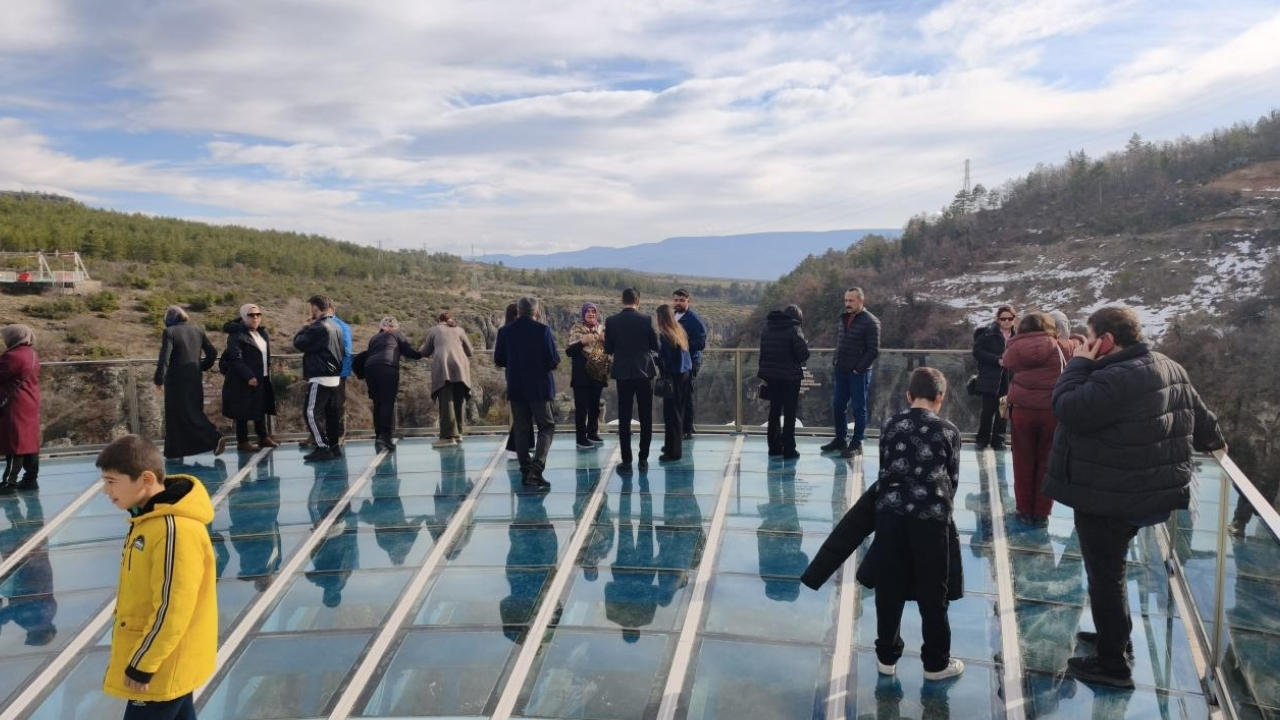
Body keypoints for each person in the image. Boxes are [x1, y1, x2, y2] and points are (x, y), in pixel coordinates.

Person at [1044, 305, 1225, 689]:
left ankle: (1113, 664)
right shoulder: (1168, 366)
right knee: (1113, 572)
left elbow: (1066, 407)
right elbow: (1203, 421)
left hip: (1110, 497)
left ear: (1107, 340)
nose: (1087, 346)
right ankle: (1115, 638)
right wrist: (1216, 443)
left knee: (1105, 577)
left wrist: (1076, 365)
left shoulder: (1115, 377)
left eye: (1090, 339)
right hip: (1144, 494)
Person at [98, 434, 217, 720]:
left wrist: (143, 662)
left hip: (160, 666)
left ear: (146, 479)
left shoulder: (172, 530)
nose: (106, 490)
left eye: (112, 481)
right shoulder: (146, 520)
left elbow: (172, 606)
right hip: (165, 662)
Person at [868, 367, 963, 680]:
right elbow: (952, 479)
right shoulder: (949, 431)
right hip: (930, 518)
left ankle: (886, 657)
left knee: (889, 586)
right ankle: (936, 663)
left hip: (890, 514)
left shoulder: (890, 425)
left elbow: (885, 466)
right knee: (933, 592)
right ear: (940, 397)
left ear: (908, 396)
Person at [1000, 311, 1076, 526]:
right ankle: (1042, 513)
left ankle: (1024, 510)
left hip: (1023, 410)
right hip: (1050, 410)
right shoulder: (1059, 346)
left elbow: (1006, 362)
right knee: (1047, 461)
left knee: (1022, 461)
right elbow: (1076, 345)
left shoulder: (1014, 348)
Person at [493, 297, 559, 489]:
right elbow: (553, 360)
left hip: (517, 387)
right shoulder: (542, 331)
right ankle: (537, 469)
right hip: (539, 388)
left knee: (521, 430)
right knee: (546, 427)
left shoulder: (505, 332)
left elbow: (499, 359)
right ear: (536, 312)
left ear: (519, 311)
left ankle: (525, 470)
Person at [155, 306, 224, 460]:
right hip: (194, 378)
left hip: (176, 381)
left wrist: (159, 380)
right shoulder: (197, 330)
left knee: (176, 415)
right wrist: (201, 366)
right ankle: (175, 451)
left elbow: (164, 358)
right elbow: (212, 352)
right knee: (193, 411)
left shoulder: (170, 332)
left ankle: (214, 437)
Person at [605, 288, 660, 474]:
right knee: (646, 417)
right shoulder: (646, 320)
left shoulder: (611, 321)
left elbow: (608, 348)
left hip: (622, 373)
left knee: (624, 417)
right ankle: (643, 459)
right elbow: (655, 345)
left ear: (622, 300)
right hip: (644, 372)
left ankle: (626, 460)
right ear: (639, 301)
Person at [820, 287, 880, 458]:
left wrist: (857, 369)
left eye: (851, 301)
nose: (847, 304)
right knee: (838, 406)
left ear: (861, 301)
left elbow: (873, 350)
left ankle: (857, 443)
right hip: (841, 371)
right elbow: (841, 343)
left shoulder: (871, 322)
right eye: (846, 300)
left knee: (858, 408)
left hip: (858, 374)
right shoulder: (844, 319)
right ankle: (840, 439)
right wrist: (836, 362)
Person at [292, 296, 346, 462]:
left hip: (320, 375)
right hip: (334, 376)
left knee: (310, 412)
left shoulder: (318, 327)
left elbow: (299, 343)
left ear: (315, 309)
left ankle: (322, 447)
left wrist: (304, 327)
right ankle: (334, 446)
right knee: (331, 413)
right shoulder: (337, 327)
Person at [220, 304, 278, 454]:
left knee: (260, 407)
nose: (256, 318)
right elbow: (236, 358)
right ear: (244, 316)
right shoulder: (236, 335)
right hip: (243, 379)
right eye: (251, 315)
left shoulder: (262, 333)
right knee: (242, 410)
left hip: (262, 376)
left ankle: (263, 436)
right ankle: (243, 441)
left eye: (258, 314)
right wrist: (249, 375)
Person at [757, 305, 810, 460]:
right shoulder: (794, 329)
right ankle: (789, 449)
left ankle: (773, 447)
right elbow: (803, 355)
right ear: (798, 318)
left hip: (771, 377)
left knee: (774, 411)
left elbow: (763, 352)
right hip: (790, 378)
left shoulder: (767, 328)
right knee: (789, 413)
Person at [364, 317, 423, 453]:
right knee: (387, 403)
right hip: (387, 368)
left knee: (377, 403)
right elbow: (408, 351)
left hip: (370, 369)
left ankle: (379, 435)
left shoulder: (374, 338)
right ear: (395, 326)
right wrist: (420, 354)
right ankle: (386, 436)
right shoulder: (396, 334)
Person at [421, 312, 474, 448]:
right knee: (458, 400)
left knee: (446, 401)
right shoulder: (459, 330)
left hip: (444, 367)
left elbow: (425, 351)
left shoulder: (434, 330)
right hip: (461, 367)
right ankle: (458, 433)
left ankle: (448, 437)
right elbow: (470, 351)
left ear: (439, 320)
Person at [0, 324, 42, 494]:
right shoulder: (31, 354)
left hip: (15, 404)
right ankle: (30, 479)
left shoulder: (12, 356)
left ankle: (9, 483)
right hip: (29, 401)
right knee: (28, 440)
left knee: (15, 442)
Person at [972, 305, 1015, 450]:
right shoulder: (988, 333)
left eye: (1010, 318)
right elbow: (977, 351)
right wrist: (997, 360)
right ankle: (982, 439)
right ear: (998, 319)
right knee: (987, 410)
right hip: (990, 376)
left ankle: (999, 440)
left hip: (1008, 377)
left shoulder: (1017, 336)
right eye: (1004, 318)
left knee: (1003, 410)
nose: (1007, 321)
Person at [566, 302, 607, 449]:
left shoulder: (601, 329)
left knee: (595, 407)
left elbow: (609, 350)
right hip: (581, 376)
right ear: (583, 313)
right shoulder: (576, 329)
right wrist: (582, 342)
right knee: (581, 408)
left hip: (597, 373)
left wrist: (605, 340)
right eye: (588, 311)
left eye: (593, 311)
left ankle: (592, 433)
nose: (591, 314)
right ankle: (581, 438)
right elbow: (569, 352)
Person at [655, 304, 692, 463]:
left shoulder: (665, 335)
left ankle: (674, 452)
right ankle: (672, 446)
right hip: (684, 375)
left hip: (673, 377)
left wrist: (658, 361)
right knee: (679, 412)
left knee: (671, 415)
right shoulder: (679, 331)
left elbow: (668, 360)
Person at [672, 289, 707, 438]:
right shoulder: (673, 317)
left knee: (687, 394)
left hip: (690, 361)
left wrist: (683, 344)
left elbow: (701, 343)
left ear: (688, 301)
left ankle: (687, 428)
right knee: (677, 394)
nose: (678, 303)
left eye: (681, 300)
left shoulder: (694, 320)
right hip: (676, 362)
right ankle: (679, 426)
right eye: (676, 300)